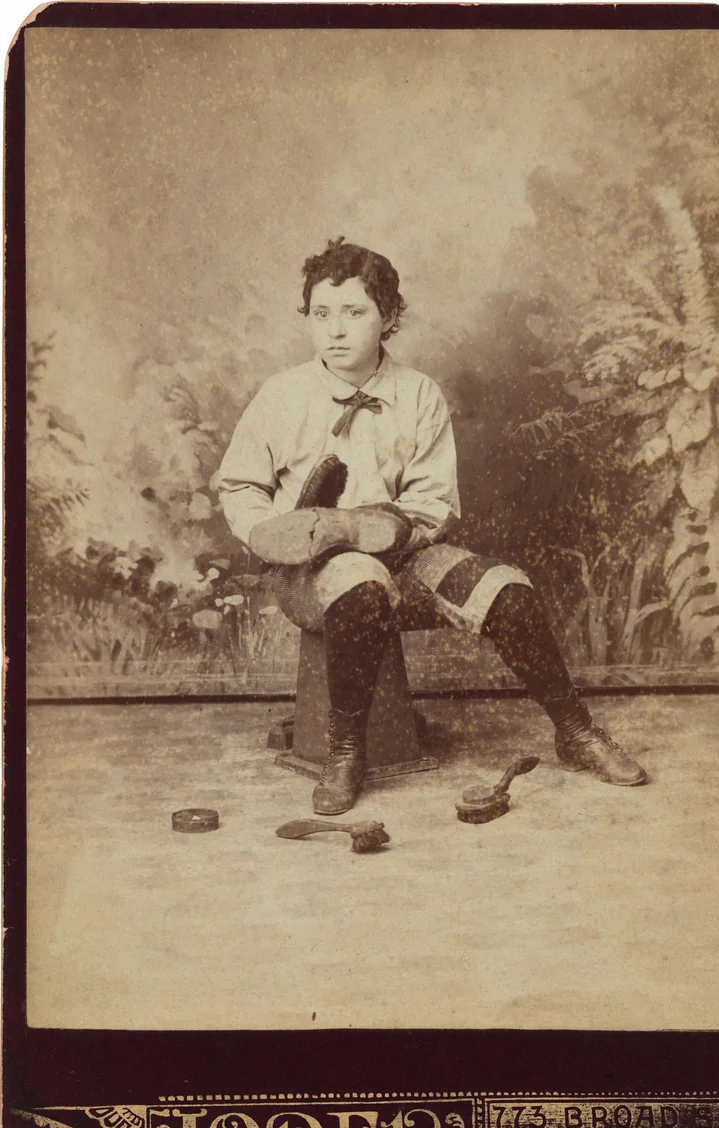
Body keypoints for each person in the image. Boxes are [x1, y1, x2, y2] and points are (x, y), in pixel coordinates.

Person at [218, 237, 647, 815]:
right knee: (357, 580)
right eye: (322, 314)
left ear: (388, 318)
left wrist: (392, 529)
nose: (335, 330)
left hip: (404, 552)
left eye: (354, 313)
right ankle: (346, 752)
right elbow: (241, 487)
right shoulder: (282, 395)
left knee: (507, 589)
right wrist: (283, 532)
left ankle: (576, 731)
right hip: (313, 570)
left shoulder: (417, 393)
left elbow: (433, 499)